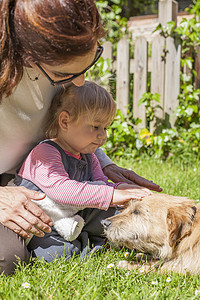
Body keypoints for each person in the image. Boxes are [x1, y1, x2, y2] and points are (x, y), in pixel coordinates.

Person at [0, 0, 162, 275]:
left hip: (41, 180)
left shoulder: (57, 76)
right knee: (8, 259)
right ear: (25, 55)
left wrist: (105, 167)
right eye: (63, 74)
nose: (78, 81)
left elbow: (70, 134)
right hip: (22, 185)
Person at [14, 81, 152, 261]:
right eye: (95, 127)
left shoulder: (88, 156)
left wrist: (123, 189)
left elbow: (100, 183)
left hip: (76, 213)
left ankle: (93, 241)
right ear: (65, 121)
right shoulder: (45, 153)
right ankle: (90, 246)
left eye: (105, 128)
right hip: (47, 222)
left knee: (117, 216)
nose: (103, 135)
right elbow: (63, 191)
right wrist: (113, 194)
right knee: (58, 254)